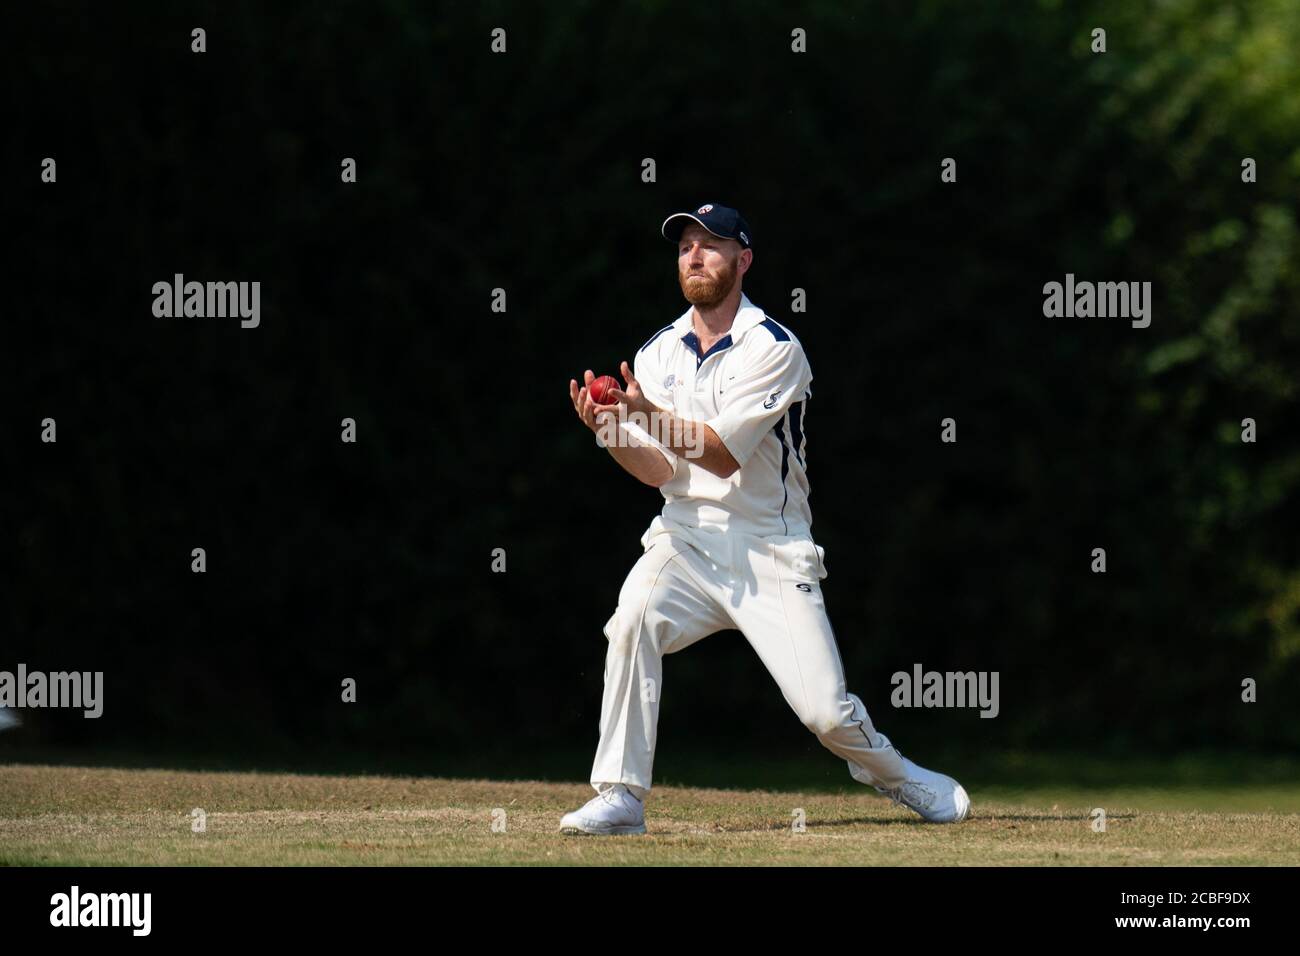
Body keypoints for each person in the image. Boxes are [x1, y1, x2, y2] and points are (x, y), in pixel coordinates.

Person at [561, 203, 969, 835]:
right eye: (685, 248)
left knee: (825, 715)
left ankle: (898, 776)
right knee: (631, 621)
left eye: (712, 246)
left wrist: (641, 413)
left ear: (743, 260)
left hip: (769, 548)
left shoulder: (774, 348)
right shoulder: (656, 353)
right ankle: (621, 796)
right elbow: (661, 472)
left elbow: (722, 455)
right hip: (687, 538)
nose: (695, 257)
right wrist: (611, 428)